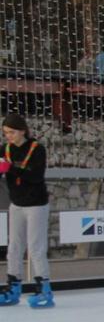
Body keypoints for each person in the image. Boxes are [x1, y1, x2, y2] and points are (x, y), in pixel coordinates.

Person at [0, 113, 53, 308]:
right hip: (17, 204)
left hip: (36, 205)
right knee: (14, 246)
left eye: (12, 132)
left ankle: (44, 289)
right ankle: (13, 287)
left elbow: (36, 176)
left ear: (22, 130)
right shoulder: (4, 149)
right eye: (5, 133)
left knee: (36, 247)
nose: (9, 137)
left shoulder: (36, 149)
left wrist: (10, 168)